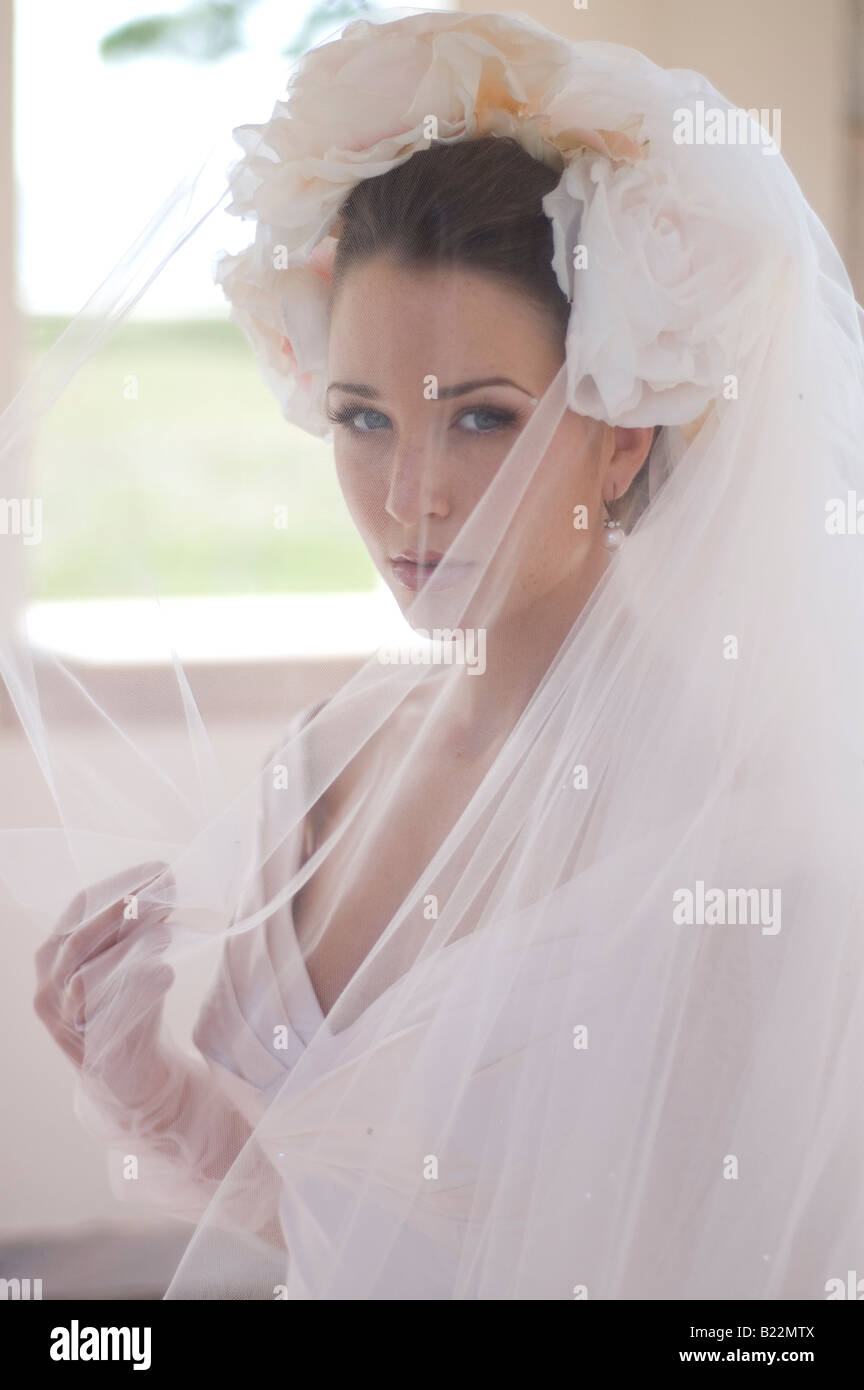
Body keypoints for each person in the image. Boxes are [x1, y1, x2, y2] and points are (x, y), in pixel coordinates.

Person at [20, 8, 864, 1299]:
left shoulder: (736, 840)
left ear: (621, 433)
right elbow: (326, 1219)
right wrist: (149, 1085)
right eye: (363, 417)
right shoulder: (332, 754)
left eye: (482, 418)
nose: (410, 495)